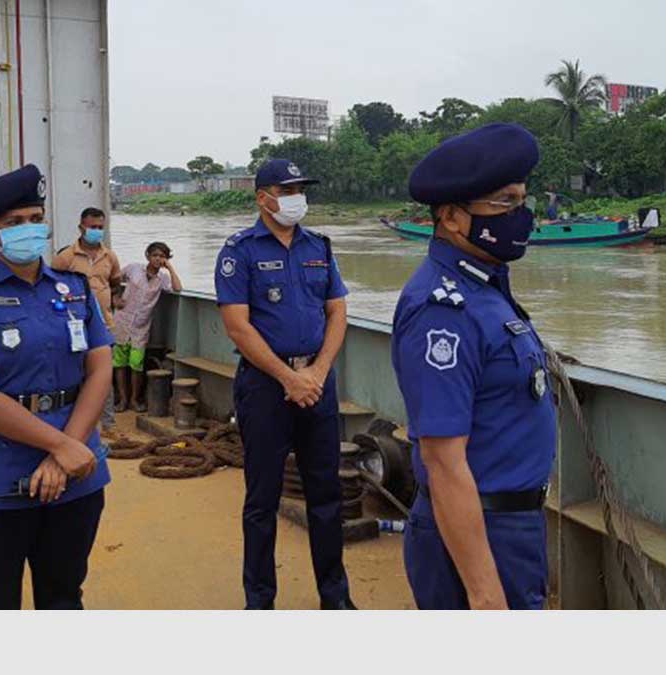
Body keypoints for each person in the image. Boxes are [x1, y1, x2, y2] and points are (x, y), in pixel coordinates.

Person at [391, 123, 557, 610]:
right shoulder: (443, 310)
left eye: (522, 201)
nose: (519, 216)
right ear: (452, 217)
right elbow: (443, 462)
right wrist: (485, 595)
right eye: (504, 203)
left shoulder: (486, 288)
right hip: (478, 530)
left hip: (513, 526)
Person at [0, 163, 112, 610]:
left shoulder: (74, 290)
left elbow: (100, 370)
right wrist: (63, 447)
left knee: (63, 595)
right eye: (14, 224)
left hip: (77, 471)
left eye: (36, 219)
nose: (28, 230)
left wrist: (67, 452)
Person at [214, 158, 355, 610]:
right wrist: (288, 377)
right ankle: (260, 602)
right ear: (263, 197)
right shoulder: (239, 252)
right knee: (262, 500)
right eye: (287, 188)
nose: (296, 197)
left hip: (317, 384)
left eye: (300, 188)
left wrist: (315, 372)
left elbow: (337, 312)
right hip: (264, 389)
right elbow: (238, 327)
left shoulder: (320, 247)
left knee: (326, 496)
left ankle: (335, 598)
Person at [50, 207, 122, 432]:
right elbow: (51, 288)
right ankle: (77, 422)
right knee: (73, 372)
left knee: (103, 373)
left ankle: (108, 424)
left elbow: (115, 283)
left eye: (100, 228)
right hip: (71, 326)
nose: (96, 231)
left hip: (103, 325)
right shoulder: (65, 257)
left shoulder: (109, 256)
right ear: (81, 227)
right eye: (93, 227)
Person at [111, 241, 182, 412]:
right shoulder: (134, 269)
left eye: (162, 256)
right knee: (119, 363)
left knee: (136, 364)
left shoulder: (162, 279)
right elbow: (112, 280)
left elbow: (178, 289)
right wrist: (114, 298)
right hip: (122, 321)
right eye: (155, 255)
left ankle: (135, 399)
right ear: (148, 256)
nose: (158, 259)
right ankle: (123, 399)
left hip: (141, 327)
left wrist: (170, 268)